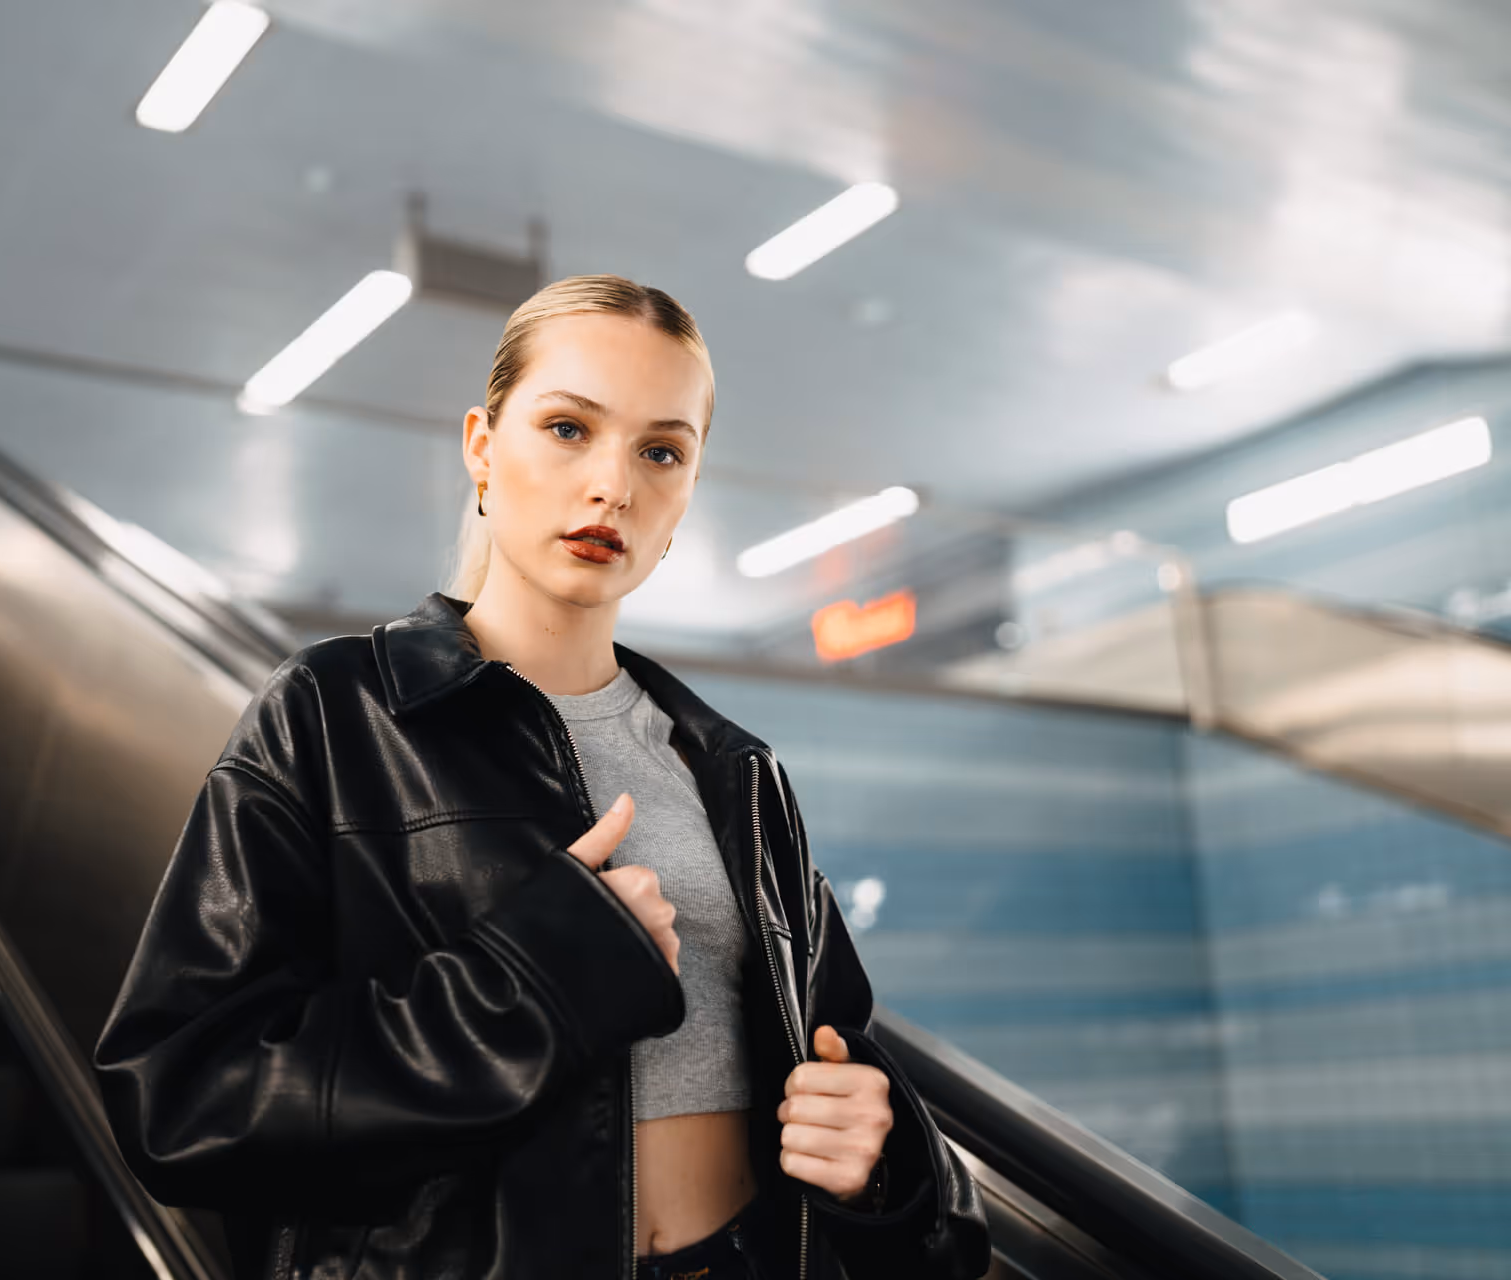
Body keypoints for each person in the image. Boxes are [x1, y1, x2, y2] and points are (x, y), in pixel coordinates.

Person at [94, 275, 989, 1280]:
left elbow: (843, 1056)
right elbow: (179, 1099)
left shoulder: (735, 771)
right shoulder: (336, 714)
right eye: (569, 428)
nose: (613, 484)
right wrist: (536, 983)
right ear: (482, 443)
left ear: (688, 488)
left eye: (661, 450)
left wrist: (884, 1156)